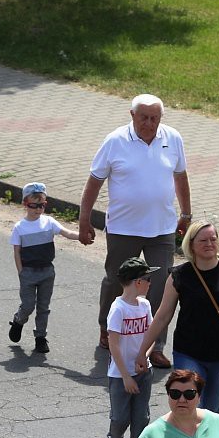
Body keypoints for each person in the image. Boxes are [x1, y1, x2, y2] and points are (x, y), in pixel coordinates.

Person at [78, 93, 191, 367]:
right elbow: (94, 181)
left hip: (161, 229)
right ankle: (108, 330)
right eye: (144, 118)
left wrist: (186, 213)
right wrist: (84, 219)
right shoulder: (115, 141)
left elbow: (180, 176)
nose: (149, 124)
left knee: (162, 287)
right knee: (118, 281)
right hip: (123, 228)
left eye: (155, 118)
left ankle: (154, 345)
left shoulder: (172, 138)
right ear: (132, 115)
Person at [139, 220, 219, 413]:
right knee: (189, 405)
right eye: (203, 240)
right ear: (191, 244)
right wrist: (142, 350)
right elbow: (162, 316)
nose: (209, 244)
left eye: (213, 239)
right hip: (188, 352)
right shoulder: (179, 276)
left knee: (215, 412)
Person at [6, 182, 81, 354]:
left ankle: (40, 337)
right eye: (34, 205)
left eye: (42, 205)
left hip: (47, 272)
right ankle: (19, 320)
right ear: (25, 204)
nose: (38, 209)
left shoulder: (49, 222)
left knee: (43, 307)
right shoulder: (20, 227)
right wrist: (21, 272)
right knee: (28, 305)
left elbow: (67, 233)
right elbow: (16, 251)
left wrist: (81, 236)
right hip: (28, 273)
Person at [104, 258, 156, 438]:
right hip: (121, 375)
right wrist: (125, 375)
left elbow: (150, 334)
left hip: (144, 371)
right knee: (120, 418)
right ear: (137, 282)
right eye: (148, 279)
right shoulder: (118, 309)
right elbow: (114, 344)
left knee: (141, 418)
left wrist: (145, 355)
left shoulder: (145, 305)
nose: (150, 283)